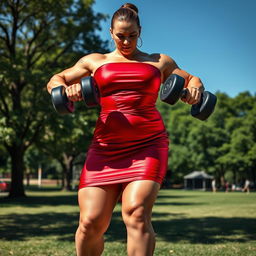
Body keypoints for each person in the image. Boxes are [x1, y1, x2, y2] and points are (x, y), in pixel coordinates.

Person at [47, 3, 204, 256]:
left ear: (139, 31)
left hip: (149, 145)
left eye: (132, 35)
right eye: (121, 36)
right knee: (90, 223)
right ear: (111, 32)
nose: (127, 41)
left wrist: (194, 89)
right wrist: (67, 90)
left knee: (137, 213)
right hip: (105, 148)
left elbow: (192, 79)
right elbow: (56, 79)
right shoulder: (95, 61)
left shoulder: (159, 61)